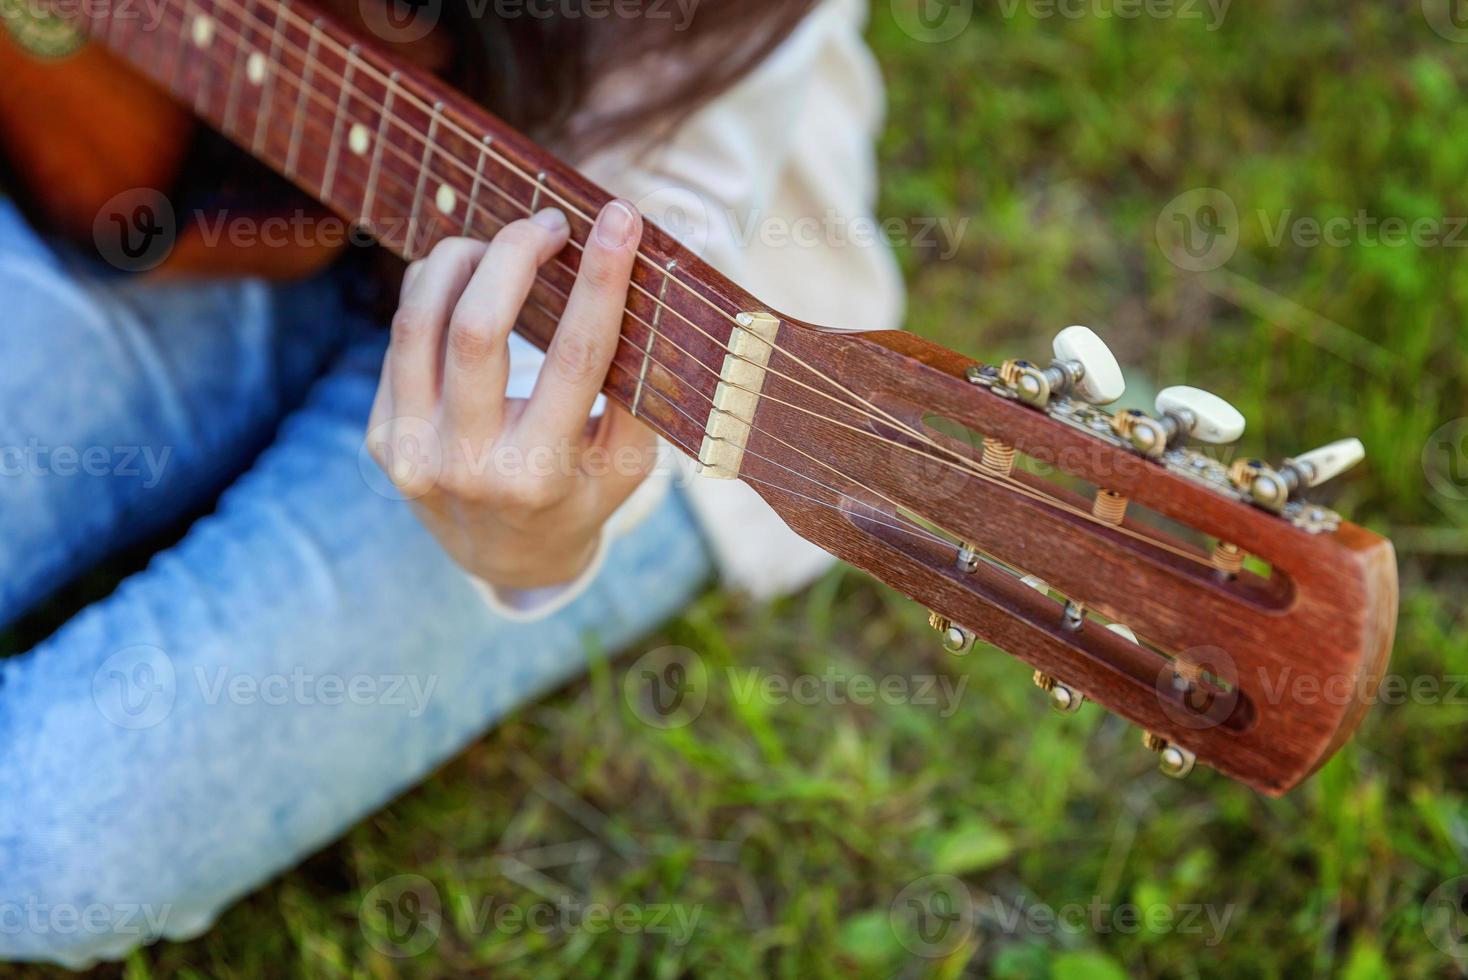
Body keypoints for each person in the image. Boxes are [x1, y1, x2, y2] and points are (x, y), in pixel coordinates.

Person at [0, 0, 903, 966]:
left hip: (623, 271)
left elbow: (668, 214)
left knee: (43, 843)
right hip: (190, 133)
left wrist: (532, 529)